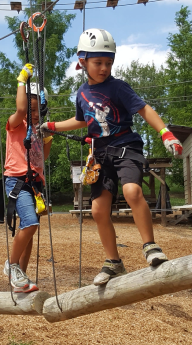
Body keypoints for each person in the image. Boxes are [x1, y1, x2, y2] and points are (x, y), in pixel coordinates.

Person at [40, 28, 183, 286]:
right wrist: (52, 126)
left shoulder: (118, 87)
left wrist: (165, 133)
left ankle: (150, 246)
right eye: (98, 63)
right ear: (82, 61)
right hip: (100, 153)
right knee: (97, 210)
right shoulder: (82, 93)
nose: (104, 68)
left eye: (108, 62)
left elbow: (143, 109)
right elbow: (82, 121)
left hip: (126, 145)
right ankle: (113, 262)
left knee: (132, 192)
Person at [2, 67, 53, 293]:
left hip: (34, 184)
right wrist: (21, 80)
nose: (34, 114)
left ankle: (19, 279)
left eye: (38, 110)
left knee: (29, 230)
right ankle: (12, 266)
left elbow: (43, 158)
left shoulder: (41, 130)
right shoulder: (16, 124)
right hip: (17, 181)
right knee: (31, 224)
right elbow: (21, 110)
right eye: (31, 109)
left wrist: (48, 137)